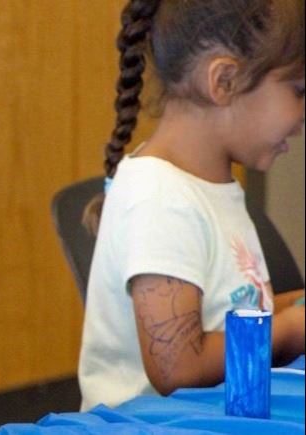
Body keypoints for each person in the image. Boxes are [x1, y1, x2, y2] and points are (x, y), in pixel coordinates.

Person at [78, 0, 306, 410]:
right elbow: (177, 368)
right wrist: (290, 329)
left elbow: (239, 309)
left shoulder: (211, 185)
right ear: (224, 81)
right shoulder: (159, 197)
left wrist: (295, 306)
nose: (302, 116)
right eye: (299, 91)